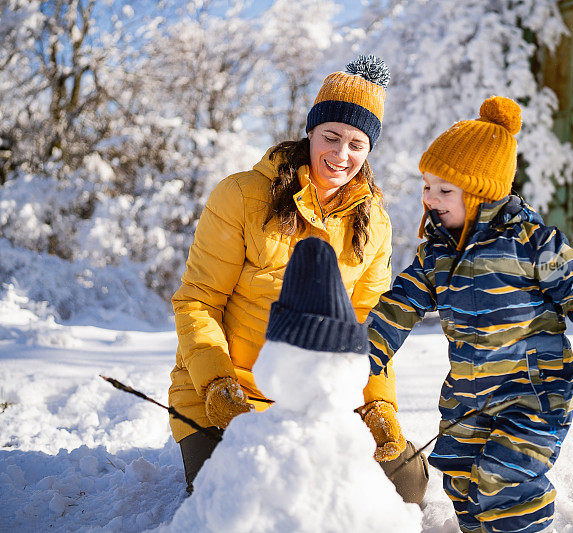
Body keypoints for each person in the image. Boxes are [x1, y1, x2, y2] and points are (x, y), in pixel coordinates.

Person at [366, 95, 573, 533]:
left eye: (444, 190)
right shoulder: (436, 253)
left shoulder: (533, 241)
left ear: (480, 193)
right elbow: (399, 305)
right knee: (459, 477)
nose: (430, 199)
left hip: (533, 394)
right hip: (467, 397)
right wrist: (365, 352)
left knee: (503, 482)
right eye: (426, 186)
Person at [168, 55, 428, 503]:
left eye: (357, 144)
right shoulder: (243, 196)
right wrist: (217, 384)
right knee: (253, 500)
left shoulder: (375, 224)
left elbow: (370, 325)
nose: (341, 155)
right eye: (331, 137)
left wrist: (377, 403)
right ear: (310, 131)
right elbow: (198, 301)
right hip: (229, 395)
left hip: (320, 399)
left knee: (404, 488)